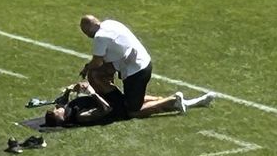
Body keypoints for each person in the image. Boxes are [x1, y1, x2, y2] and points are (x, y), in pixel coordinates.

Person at [79, 14, 214, 117]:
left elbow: (97, 62)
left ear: (88, 30)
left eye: (86, 33)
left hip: (136, 71)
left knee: (132, 111)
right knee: (125, 96)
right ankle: (163, 100)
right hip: (140, 62)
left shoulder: (100, 37)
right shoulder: (110, 23)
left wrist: (87, 67)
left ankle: (172, 101)